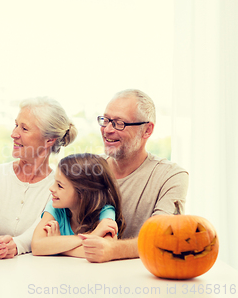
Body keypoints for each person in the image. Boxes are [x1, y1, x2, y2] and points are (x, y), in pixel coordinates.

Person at [79, 89, 189, 263]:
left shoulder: (172, 176)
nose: (107, 130)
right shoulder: (87, 169)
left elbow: (162, 237)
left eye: (119, 123)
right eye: (105, 120)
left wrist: (112, 250)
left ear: (147, 130)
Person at [0, 97, 77, 259]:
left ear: (49, 140)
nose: (13, 134)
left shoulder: (61, 188)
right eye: (16, 125)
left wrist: (15, 245)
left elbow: (39, 229)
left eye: (24, 129)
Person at [31, 153, 125, 257]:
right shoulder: (56, 207)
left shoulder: (105, 212)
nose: (51, 188)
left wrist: (56, 246)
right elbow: (36, 246)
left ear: (83, 194)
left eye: (59, 186)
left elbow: (104, 250)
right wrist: (92, 235)